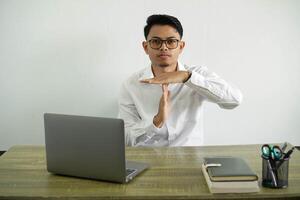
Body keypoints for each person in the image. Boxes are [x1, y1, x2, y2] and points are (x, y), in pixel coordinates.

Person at [118, 14, 242, 147]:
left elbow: (234, 100)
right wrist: (156, 122)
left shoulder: (197, 74)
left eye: (171, 41)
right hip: (149, 157)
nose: (164, 47)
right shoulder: (131, 85)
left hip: (191, 157)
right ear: (145, 47)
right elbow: (125, 139)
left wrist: (187, 77)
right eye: (156, 41)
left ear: (181, 46)